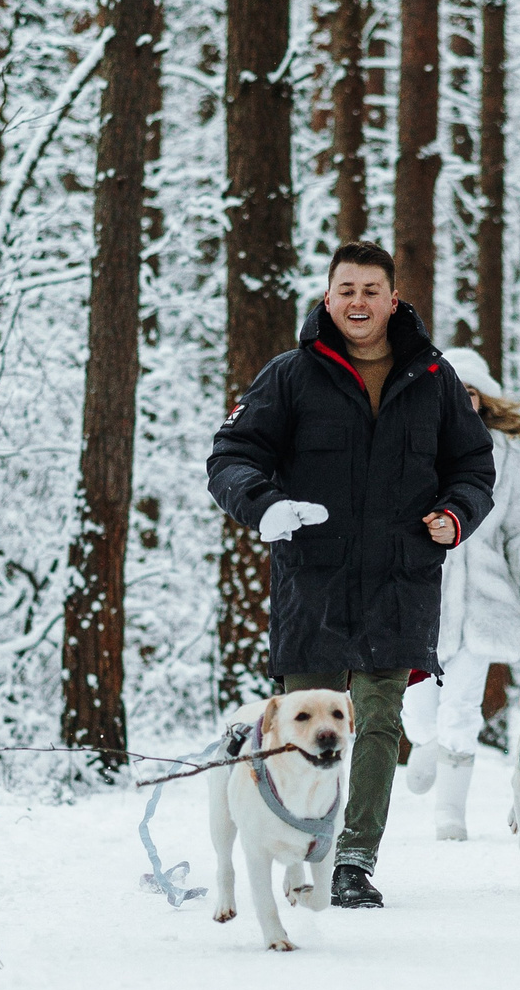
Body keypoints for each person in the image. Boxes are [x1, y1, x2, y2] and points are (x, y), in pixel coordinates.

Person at [207, 242, 496, 908]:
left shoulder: (434, 377)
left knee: (376, 719)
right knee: (301, 720)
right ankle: (298, 843)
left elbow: (473, 467)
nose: (358, 302)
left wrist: (456, 515)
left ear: (393, 299)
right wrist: (267, 505)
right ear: (328, 296)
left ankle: (353, 860)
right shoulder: (289, 376)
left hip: (401, 578)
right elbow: (232, 455)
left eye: (371, 290)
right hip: (314, 579)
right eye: (346, 289)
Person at [400, 349, 520, 838]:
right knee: (417, 707)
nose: (463, 400)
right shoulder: (410, 446)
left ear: (482, 401)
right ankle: (422, 742)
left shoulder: (504, 458)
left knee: (462, 709)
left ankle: (450, 816)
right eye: (454, 390)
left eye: (472, 392)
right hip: (422, 598)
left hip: (484, 605)